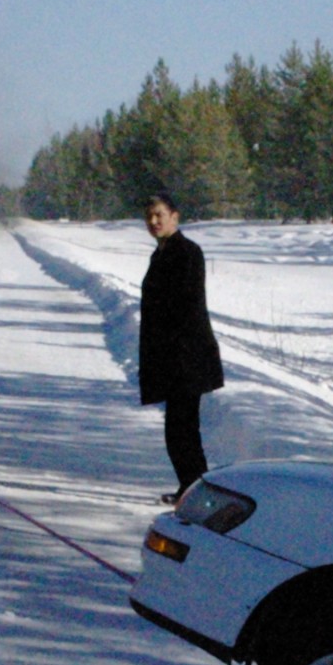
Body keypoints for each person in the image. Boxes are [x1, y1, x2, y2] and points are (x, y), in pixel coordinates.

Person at [137, 192, 226, 496]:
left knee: (182, 429)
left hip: (187, 356)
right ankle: (191, 488)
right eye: (149, 215)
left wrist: (173, 353)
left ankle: (198, 492)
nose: (153, 221)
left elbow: (183, 306)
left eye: (159, 214)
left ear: (175, 216)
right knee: (178, 429)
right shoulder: (161, 253)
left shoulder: (187, 252)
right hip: (171, 356)